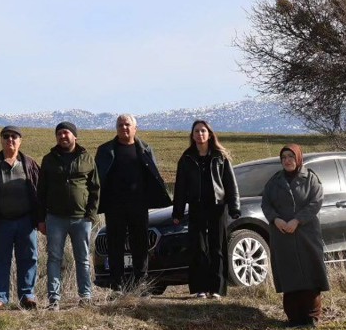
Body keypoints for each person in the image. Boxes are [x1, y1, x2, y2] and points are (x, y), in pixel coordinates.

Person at [94, 114, 172, 293]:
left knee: (140, 244)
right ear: (116, 128)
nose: (124, 128)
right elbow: (98, 178)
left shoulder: (144, 149)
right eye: (120, 125)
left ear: (135, 128)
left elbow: (153, 175)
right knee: (115, 245)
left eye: (127, 125)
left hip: (139, 205)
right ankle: (117, 285)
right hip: (114, 206)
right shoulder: (105, 150)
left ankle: (140, 282)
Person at [260, 144, 329, 328]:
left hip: (306, 233)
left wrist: (297, 220)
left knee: (309, 274)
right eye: (284, 157)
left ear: (298, 158)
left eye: (291, 156)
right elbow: (266, 204)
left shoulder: (310, 178)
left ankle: (312, 317)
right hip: (282, 235)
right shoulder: (274, 182)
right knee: (289, 275)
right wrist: (276, 220)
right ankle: (294, 318)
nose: (287, 160)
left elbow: (316, 202)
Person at [171, 120, 241, 299]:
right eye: (197, 131)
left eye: (203, 131)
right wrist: (177, 213)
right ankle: (200, 288)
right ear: (192, 135)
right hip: (196, 207)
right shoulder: (186, 158)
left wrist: (234, 207)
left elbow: (230, 185)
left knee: (217, 247)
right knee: (198, 247)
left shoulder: (220, 157)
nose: (200, 134)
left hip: (217, 207)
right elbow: (180, 188)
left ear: (209, 134)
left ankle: (217, 288)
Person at [0, 126, 41, 310]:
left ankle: (27, 295)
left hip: (26, 221)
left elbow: (40, 191)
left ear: (20, 141)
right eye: (6, 137)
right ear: (1, 140)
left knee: (29, 258)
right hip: (1, 221)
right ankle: (0, 298)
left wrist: (41, 218)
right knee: (0, 260)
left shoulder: (30, 164)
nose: (10, 140)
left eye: (14, 137)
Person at [37, 121, 99, 309]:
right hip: (55, 218)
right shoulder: (49, 159)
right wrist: (41, 218)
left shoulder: (87, 158)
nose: (63, 136)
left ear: (74, 136)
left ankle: (86, 297)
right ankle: (54, 299)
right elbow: (42, 190)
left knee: (83, 258)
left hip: (81, 219)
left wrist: (92, 214)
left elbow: (95, 188)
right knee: (54, 258)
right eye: (59, 134)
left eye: (66, 133)